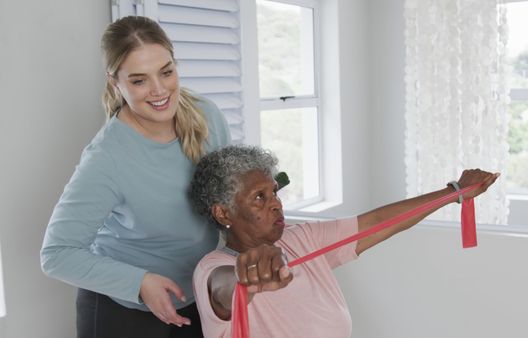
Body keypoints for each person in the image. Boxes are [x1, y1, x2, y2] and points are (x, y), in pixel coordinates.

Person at [40, 16, 231, 338]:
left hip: (198, 292)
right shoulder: (106, 158)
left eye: (166, 72)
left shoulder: (207, 115)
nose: (159, 90)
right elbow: (56, 254)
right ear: (116, 82)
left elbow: (228, 195)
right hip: (123, 309)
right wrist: (140, 283)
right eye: (139, 80)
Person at [189, 145, 499, 338]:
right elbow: (223, 287)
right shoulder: (213, 267)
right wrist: (248, 277)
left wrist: (455, 192)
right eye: (260, 197)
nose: (276, 205)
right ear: (223, 211)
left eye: (274, 193)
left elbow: (378, 223)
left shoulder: (301, 238)